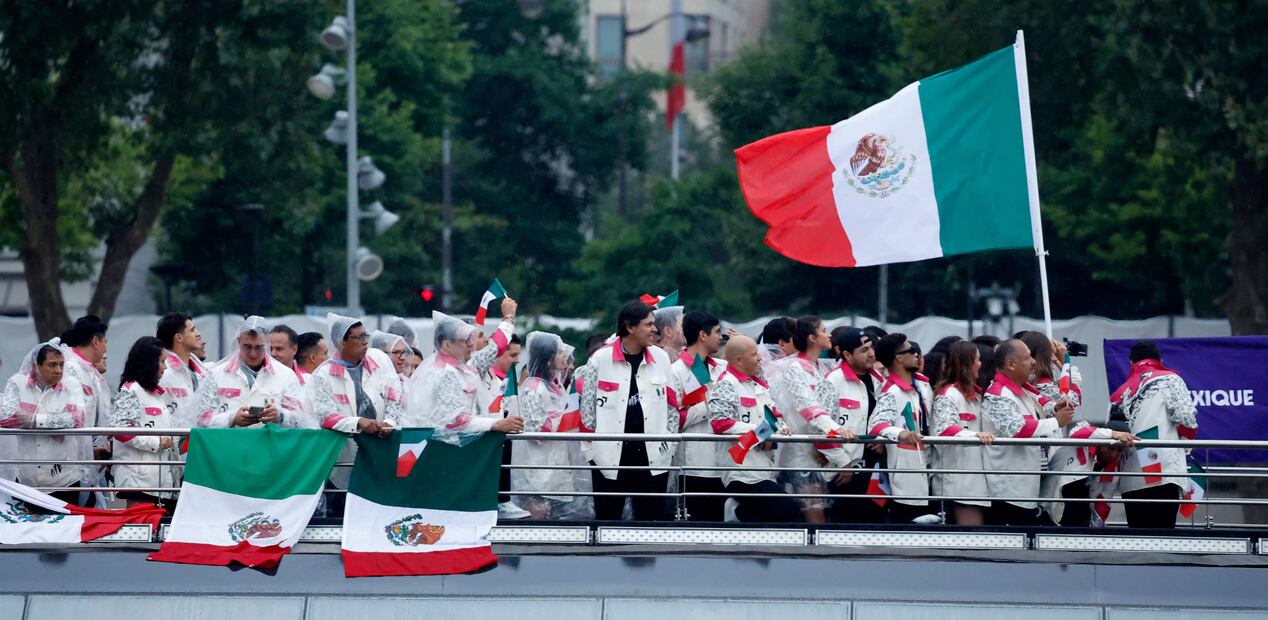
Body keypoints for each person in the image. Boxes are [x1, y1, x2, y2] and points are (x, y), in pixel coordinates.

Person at [1018, 331, 1134, 526]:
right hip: (1033, 462)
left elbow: (1069, 398)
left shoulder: (1030, 385)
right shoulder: (1035, 386)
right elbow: (1071, 399)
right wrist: (1064, 362)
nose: (1030, 362)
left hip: (1039, 460)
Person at [578, 300, 677, 521]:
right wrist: (592, 453)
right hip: (609, 456)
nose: (655, 329)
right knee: (607, 523)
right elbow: (587, 410)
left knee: (651, 524)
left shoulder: (661, 358)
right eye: (648, 324)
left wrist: (668, 447)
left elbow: (672, 406)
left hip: (653, 456)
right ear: (630, 327)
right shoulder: (600, 359)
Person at [980, 339, 1076, 525]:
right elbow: (1017, 429)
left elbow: (1045, 405)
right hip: (1006, 492)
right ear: (1010, 364)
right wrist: (1056, 421)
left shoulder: (1023, 391)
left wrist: (1056, 408)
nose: (1033, 362)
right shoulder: (998, 394)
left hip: (1025, 490)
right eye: (1027, 358)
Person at [771, 316, 856, 524]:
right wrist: (836, 432)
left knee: (818, 521)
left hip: (817, 457)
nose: (829, 335)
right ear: (811, 338)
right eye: (824, 330)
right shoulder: (794, 369)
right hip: (800, 458)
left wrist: (832, 448)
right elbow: (808, 407)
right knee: (814, 523)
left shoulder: (818, 368)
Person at [707, 335, 800, 523]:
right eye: (754, 354)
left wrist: (781, 430)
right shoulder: (726, 384)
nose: (759, 358)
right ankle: (738, 513)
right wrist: (761, 432)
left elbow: (775, 417)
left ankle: (739, 515)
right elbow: (720, 423)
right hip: (741, 472)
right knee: (787, 509)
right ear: (739, 359)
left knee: (777, 513)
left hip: (763, 469)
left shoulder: (758, 385)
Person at [404, 303, 524, 440]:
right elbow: (455, 421)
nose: (471, 344)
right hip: (447, 449)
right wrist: (496, 424)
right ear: (447, 345)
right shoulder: (443, 372)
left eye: (473, 338)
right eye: (466, 339)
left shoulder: (464, 366)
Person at [1112, 341, 1197, 529]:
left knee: (1139, 540)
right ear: (1160, 360)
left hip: (1131, 476)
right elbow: (1187, 418)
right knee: (1163, 538)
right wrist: (1185, 446)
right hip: (1163, 471)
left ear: (1131, 363)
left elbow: (1112, 434)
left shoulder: (1119, 393)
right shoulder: (1170, 379)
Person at [0, 340, 93, 506]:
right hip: (25, 479)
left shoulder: (71, 385)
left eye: (61, 364)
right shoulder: (17, 383)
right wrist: (56, 421)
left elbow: (76, 418)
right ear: (36, 366)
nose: (58, 370)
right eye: (52, 365)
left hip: (63, 480)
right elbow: (4, 416)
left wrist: (35, 419)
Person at [511, 331, 588, 520]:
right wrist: (559, 418)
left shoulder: (554, 386)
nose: (565, 356)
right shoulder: (533, 388)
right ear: (547, 358)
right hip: (537, 468)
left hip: (554, 466)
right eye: (560, 352)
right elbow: (534, 431)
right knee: (537, 515)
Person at [868, 333, 936, 524]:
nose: (917, 354)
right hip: (906, 469)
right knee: (908, 522)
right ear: (898, 358)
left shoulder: (922, 384)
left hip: (928, 463)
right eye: (911, 351)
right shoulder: (892, 391)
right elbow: (876, 424)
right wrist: (900, 433)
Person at [191, 316, 306, 429]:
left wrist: (279, 416)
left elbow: (302, 420)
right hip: (228, 445)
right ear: (238, 341)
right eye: (247, 347)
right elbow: (201, 419)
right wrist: (231, 419)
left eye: (259, 347)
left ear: (267, 344)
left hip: (270, 446)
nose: (253, 354)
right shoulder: (217, 374)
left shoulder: (285, 375)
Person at [109, 337, 181, 513]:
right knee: (141, 532)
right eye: (162, 361)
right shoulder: (131, 390)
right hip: (139, 482)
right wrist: (156, 443)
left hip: (159, 481)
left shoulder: (155, 394)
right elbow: (120, 430)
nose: (165, 367)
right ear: (149, 362)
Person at [670, 310, 729, 522]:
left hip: (724, 463)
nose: (720, 337)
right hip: (694, 466)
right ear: (702, 335)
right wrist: (708, 406)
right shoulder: (676, 371)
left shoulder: (722, 368)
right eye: (716, 332)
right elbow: (673, 421)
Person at [930, 341, 995, 525]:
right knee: (970, 538)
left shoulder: (975, 395)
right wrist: (975, 436)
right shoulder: (948, 394)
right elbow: (944, 429)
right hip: (957, 481)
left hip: (973, 479)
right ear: (967, 363)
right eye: (977, 360)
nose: (980, 364)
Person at [823, 327, 884, 523]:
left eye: (871, 348)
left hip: (874, 465)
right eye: (864, 350)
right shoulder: (833, 381)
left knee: (873, 519)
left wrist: (882, 440)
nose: (872, 353)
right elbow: (822, 426)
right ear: (847, 354)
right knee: (847, 519)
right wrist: (843, 463)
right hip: (845, 468)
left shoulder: (879, 380)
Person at [479, 332, 525, 519]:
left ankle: (503, 499)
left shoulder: (503, 380)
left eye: (518, 355)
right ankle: (500, 499)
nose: (517, 361)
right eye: (512, 355)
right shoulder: (483, 377)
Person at [59, 316, 112, 461]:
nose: (105, 349)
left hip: (88, 453)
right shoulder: (71, 368)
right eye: (105, 342)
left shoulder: (89, 371)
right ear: (95, 341)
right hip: (71, 456)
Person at [156, 313, 209, 427]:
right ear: (179, 337)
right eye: (192, 330)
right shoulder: (162, 372)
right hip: (170, 441)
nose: (198, 334)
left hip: (197, 439)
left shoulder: (202, 371)